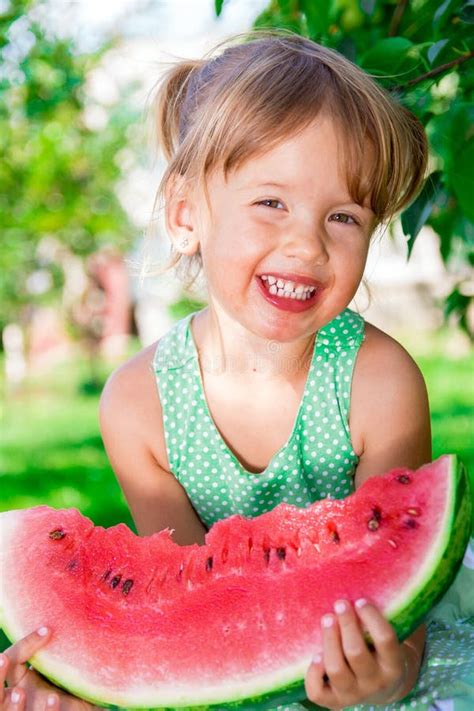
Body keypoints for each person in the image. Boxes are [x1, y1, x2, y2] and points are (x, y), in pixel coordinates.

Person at [3, 28, 472, 711]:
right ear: (187, 214)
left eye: (343, 216)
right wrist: (87, 690)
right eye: (271, 203)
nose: (306, 243)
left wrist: (387, 677)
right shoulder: (138, 406)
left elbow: (398, 622)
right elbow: (190, 608)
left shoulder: (380, 382)